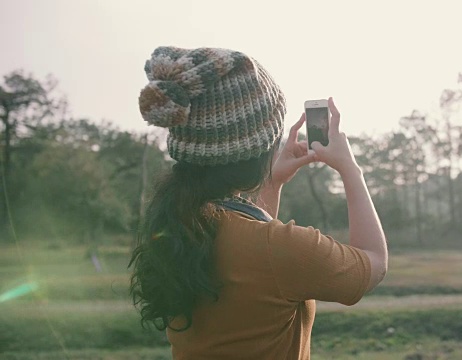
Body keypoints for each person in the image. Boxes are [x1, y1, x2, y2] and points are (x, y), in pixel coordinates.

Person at [129, 46, 388, 360]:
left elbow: (255, 271)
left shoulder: (177, 225)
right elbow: (371, 265)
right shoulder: (278, 250)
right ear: (261, 150)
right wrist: (350, 168)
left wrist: (273, 182)